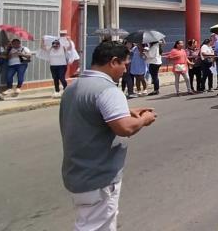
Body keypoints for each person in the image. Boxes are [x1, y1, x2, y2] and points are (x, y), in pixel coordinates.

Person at [60, 41, 157, 231]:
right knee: (95, 226)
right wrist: (144, 119)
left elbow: (91, 113)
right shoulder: (108, 90)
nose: (125, 69)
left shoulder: (75, 86)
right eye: (124, 64)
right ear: (113, 62)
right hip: (98, 176)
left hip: (77, 171)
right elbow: (124, 128)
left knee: (93, 223)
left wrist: (126, 111)